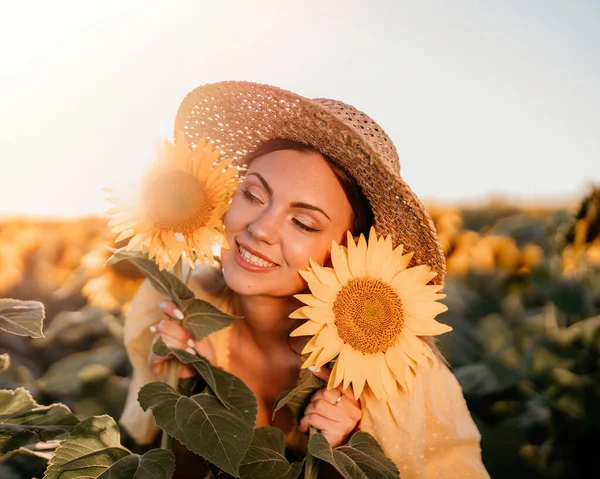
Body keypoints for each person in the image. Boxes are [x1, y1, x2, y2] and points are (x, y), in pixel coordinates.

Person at [119, 81, 490, 478]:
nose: (261, 228)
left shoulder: (394, 375)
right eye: (253, 195)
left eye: (302, 222)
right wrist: (186, 400)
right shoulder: (180, 306)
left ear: (352, 250)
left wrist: (349, 455)